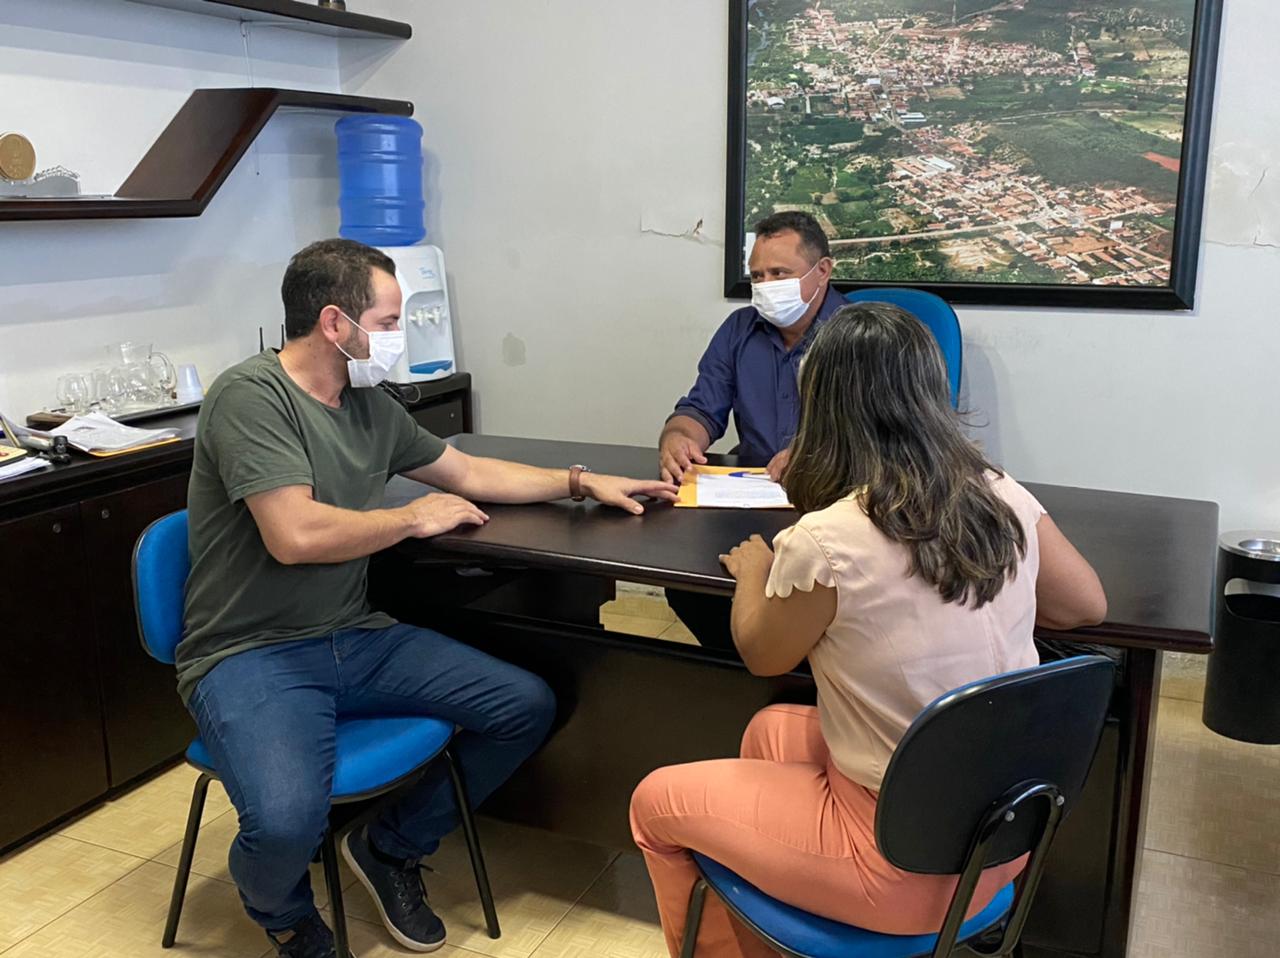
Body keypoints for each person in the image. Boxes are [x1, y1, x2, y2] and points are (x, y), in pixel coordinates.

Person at [179, 238, 678, 958]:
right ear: (333, 324)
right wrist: (412, 517)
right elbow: (294, 534)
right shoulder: (250, 397)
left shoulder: (365, 403)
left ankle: (389, 846)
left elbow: (468, 471)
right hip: (248, 652)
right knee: (285, 824)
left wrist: (581, 481)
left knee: (524, 704)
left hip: (352, 635)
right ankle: (283, 912)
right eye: (386, 320)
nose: (397, 335)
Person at [630, 302, 1107, 958]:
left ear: (821, 407)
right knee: (769, 731)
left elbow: (762, 653)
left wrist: (753, 573)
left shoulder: (829, 539)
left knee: (654, 804)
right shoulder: (998, 492)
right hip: (1004, 839)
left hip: (901, 867)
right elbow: (1087, 604)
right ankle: (778, 921)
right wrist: (985, 589)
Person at [659, 211, 846, 650]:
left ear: (823, 271)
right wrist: (679, 436)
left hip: (833, 506)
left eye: (779, 273)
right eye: (757, 276)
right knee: (686, 580)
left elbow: (890, 436)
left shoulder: (861, 335)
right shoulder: (738, 330)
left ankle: (794, 676)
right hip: (754, 499)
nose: (765, 286)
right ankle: (747, 678)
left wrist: (817, 455)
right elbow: (700, 409)